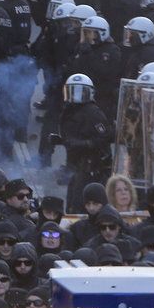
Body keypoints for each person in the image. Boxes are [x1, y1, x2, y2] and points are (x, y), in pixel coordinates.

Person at [51, 74, 113, 221]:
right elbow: (72, 138)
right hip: (76, 166)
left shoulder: (93, 113)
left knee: (81, 204)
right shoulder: (69, 111)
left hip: (92, 168)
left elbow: (106, 136)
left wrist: (84, 144)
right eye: (72, 91)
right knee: (71, 203)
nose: (76, 96)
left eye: (80, 92)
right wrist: (60, 140)